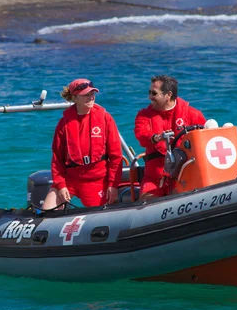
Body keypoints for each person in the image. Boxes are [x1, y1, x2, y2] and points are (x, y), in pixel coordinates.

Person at [43, 78, 123, 210]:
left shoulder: (105, 118)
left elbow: (115, 156)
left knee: (100, 218)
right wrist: (61, 186)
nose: (91, 97)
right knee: (47, 211)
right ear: (75, 98)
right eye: (86, 95)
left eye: (92, 94)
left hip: (97, 179)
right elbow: (57, 159)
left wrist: (112, 185)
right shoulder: (63, 124)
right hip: (71, 178)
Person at [134, 75, 206, 199]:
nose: (150, 97)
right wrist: (156, 138)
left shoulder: (192, 114)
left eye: (154, 93)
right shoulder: (144, 115)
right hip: (155, 178)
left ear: (168, 95)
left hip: (184, 176)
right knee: (146, 202)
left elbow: (206, 138)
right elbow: (141, 134)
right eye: (149, 92)